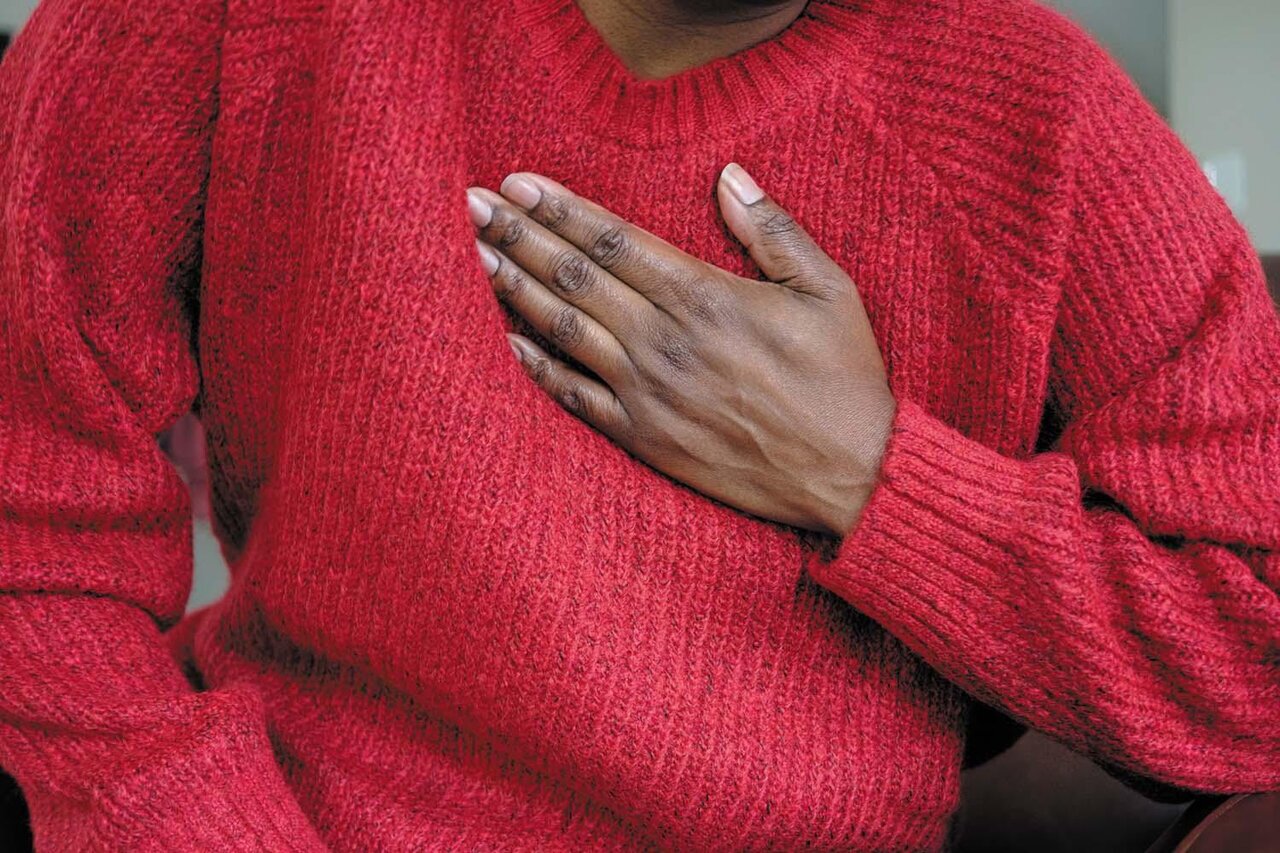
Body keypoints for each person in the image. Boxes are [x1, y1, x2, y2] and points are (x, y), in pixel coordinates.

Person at [0, 0, 1276, 850]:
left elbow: (1254, 653)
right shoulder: (227, 22)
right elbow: (31, 540)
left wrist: (870, 474)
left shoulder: (1040, 112)